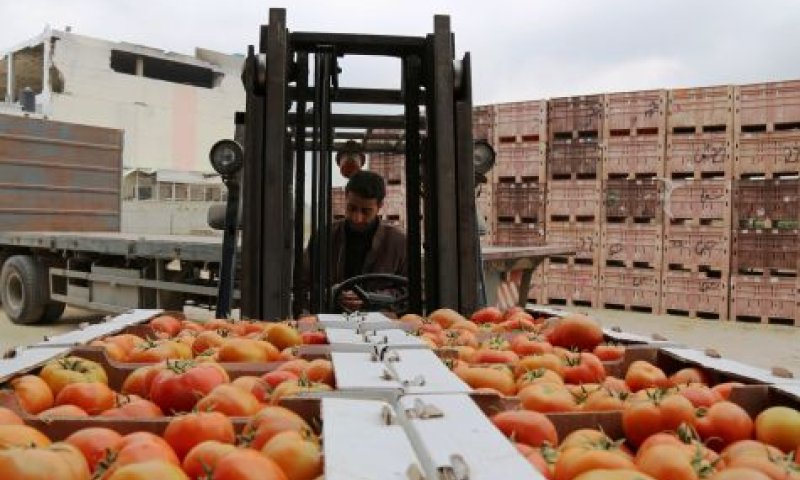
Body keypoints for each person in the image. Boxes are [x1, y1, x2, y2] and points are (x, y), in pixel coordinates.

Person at [297, 170, 407, 313]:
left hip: (381, 327)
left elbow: (412, 291)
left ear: (380, 206)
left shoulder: (398, 242)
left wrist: (373, 298)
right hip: (332, 322)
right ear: (345, 198)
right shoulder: (324, 237)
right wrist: (330, 294)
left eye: (366, 211)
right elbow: (302, 286)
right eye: (352, 208)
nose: (357, 218)